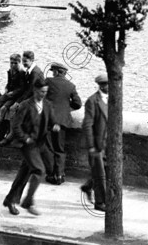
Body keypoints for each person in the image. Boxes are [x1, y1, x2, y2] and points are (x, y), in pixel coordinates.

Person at [3, 79, 52, 216]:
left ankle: (10, 200)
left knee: (24, 174)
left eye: (46, 92)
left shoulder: (47, 105)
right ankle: (28, 202)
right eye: (42, 92)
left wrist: (55, 125)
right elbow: (16, 126)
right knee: (39, 170)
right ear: (35, 91)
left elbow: (51, 120)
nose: (44, 94)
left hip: (40, 144)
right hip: (27, 145)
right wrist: (26, 138)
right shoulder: (25, 105)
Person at [44, 62, 82, 185]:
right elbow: (78, 104)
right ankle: (59, 175)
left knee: (48, 148)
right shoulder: (71, 85)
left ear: (56, 72)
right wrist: (66, 106)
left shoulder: (48, 81)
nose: (52, 73)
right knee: (60, 149)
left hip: (49, 120)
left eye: (53, 71)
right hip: (62, 122)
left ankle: (51, 174)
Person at [81, 73, 109, 211]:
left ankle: (88, 186)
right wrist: (91, 146)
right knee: (101, 174)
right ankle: (100, 202)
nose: (106, 87)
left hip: (109, 144)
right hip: (97, 145)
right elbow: (87, 124)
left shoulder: (113, 99)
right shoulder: (92, 101)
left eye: (108, 84)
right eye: (104, 84)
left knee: (105, 171)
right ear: (100, 85)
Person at [0, 53, 26, 138]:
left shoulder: (22, 73)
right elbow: (9, 83)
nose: (13, 65)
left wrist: (13, 93)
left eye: (15, 63)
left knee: (3, 109)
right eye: (11, 63)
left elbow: (22, 88)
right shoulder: (10, 71)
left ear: (19, 62)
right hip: (8, 93)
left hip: (15, 95)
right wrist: (6, 88)